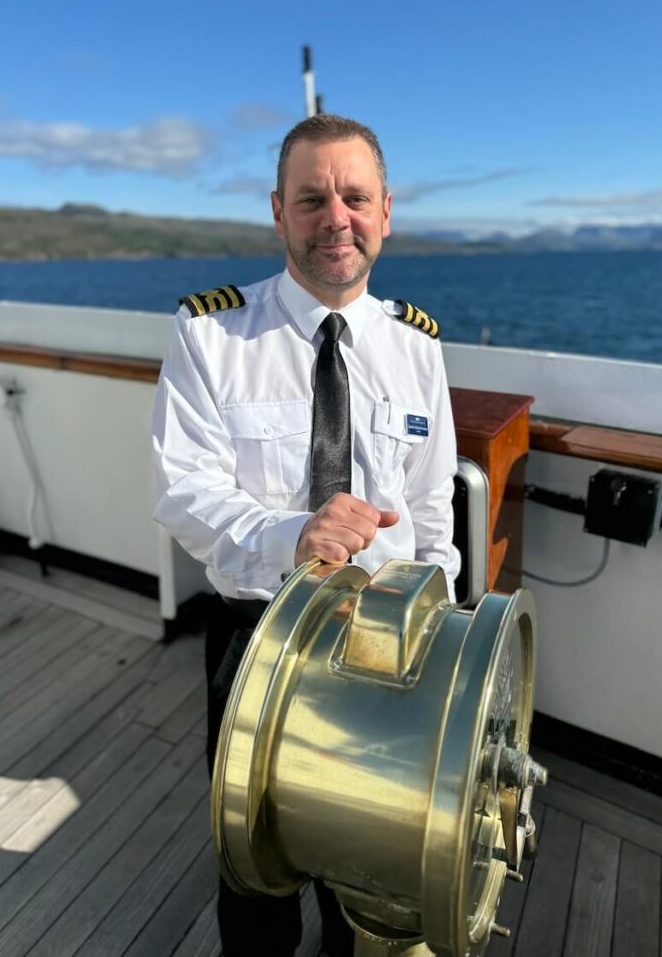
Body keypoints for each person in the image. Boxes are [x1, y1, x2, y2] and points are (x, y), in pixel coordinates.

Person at [151, 114, 460, 956]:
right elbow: (184, 491)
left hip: (386, 641)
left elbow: (433, 513)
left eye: (355, 198)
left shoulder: (417, 347)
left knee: (371, 858)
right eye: (313, 198)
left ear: (386, 212)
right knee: (256, 865)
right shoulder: (210, 334)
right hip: (260, 640)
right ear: (278, 211)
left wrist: (442, 639)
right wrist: (295, 533)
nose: (337, 219)